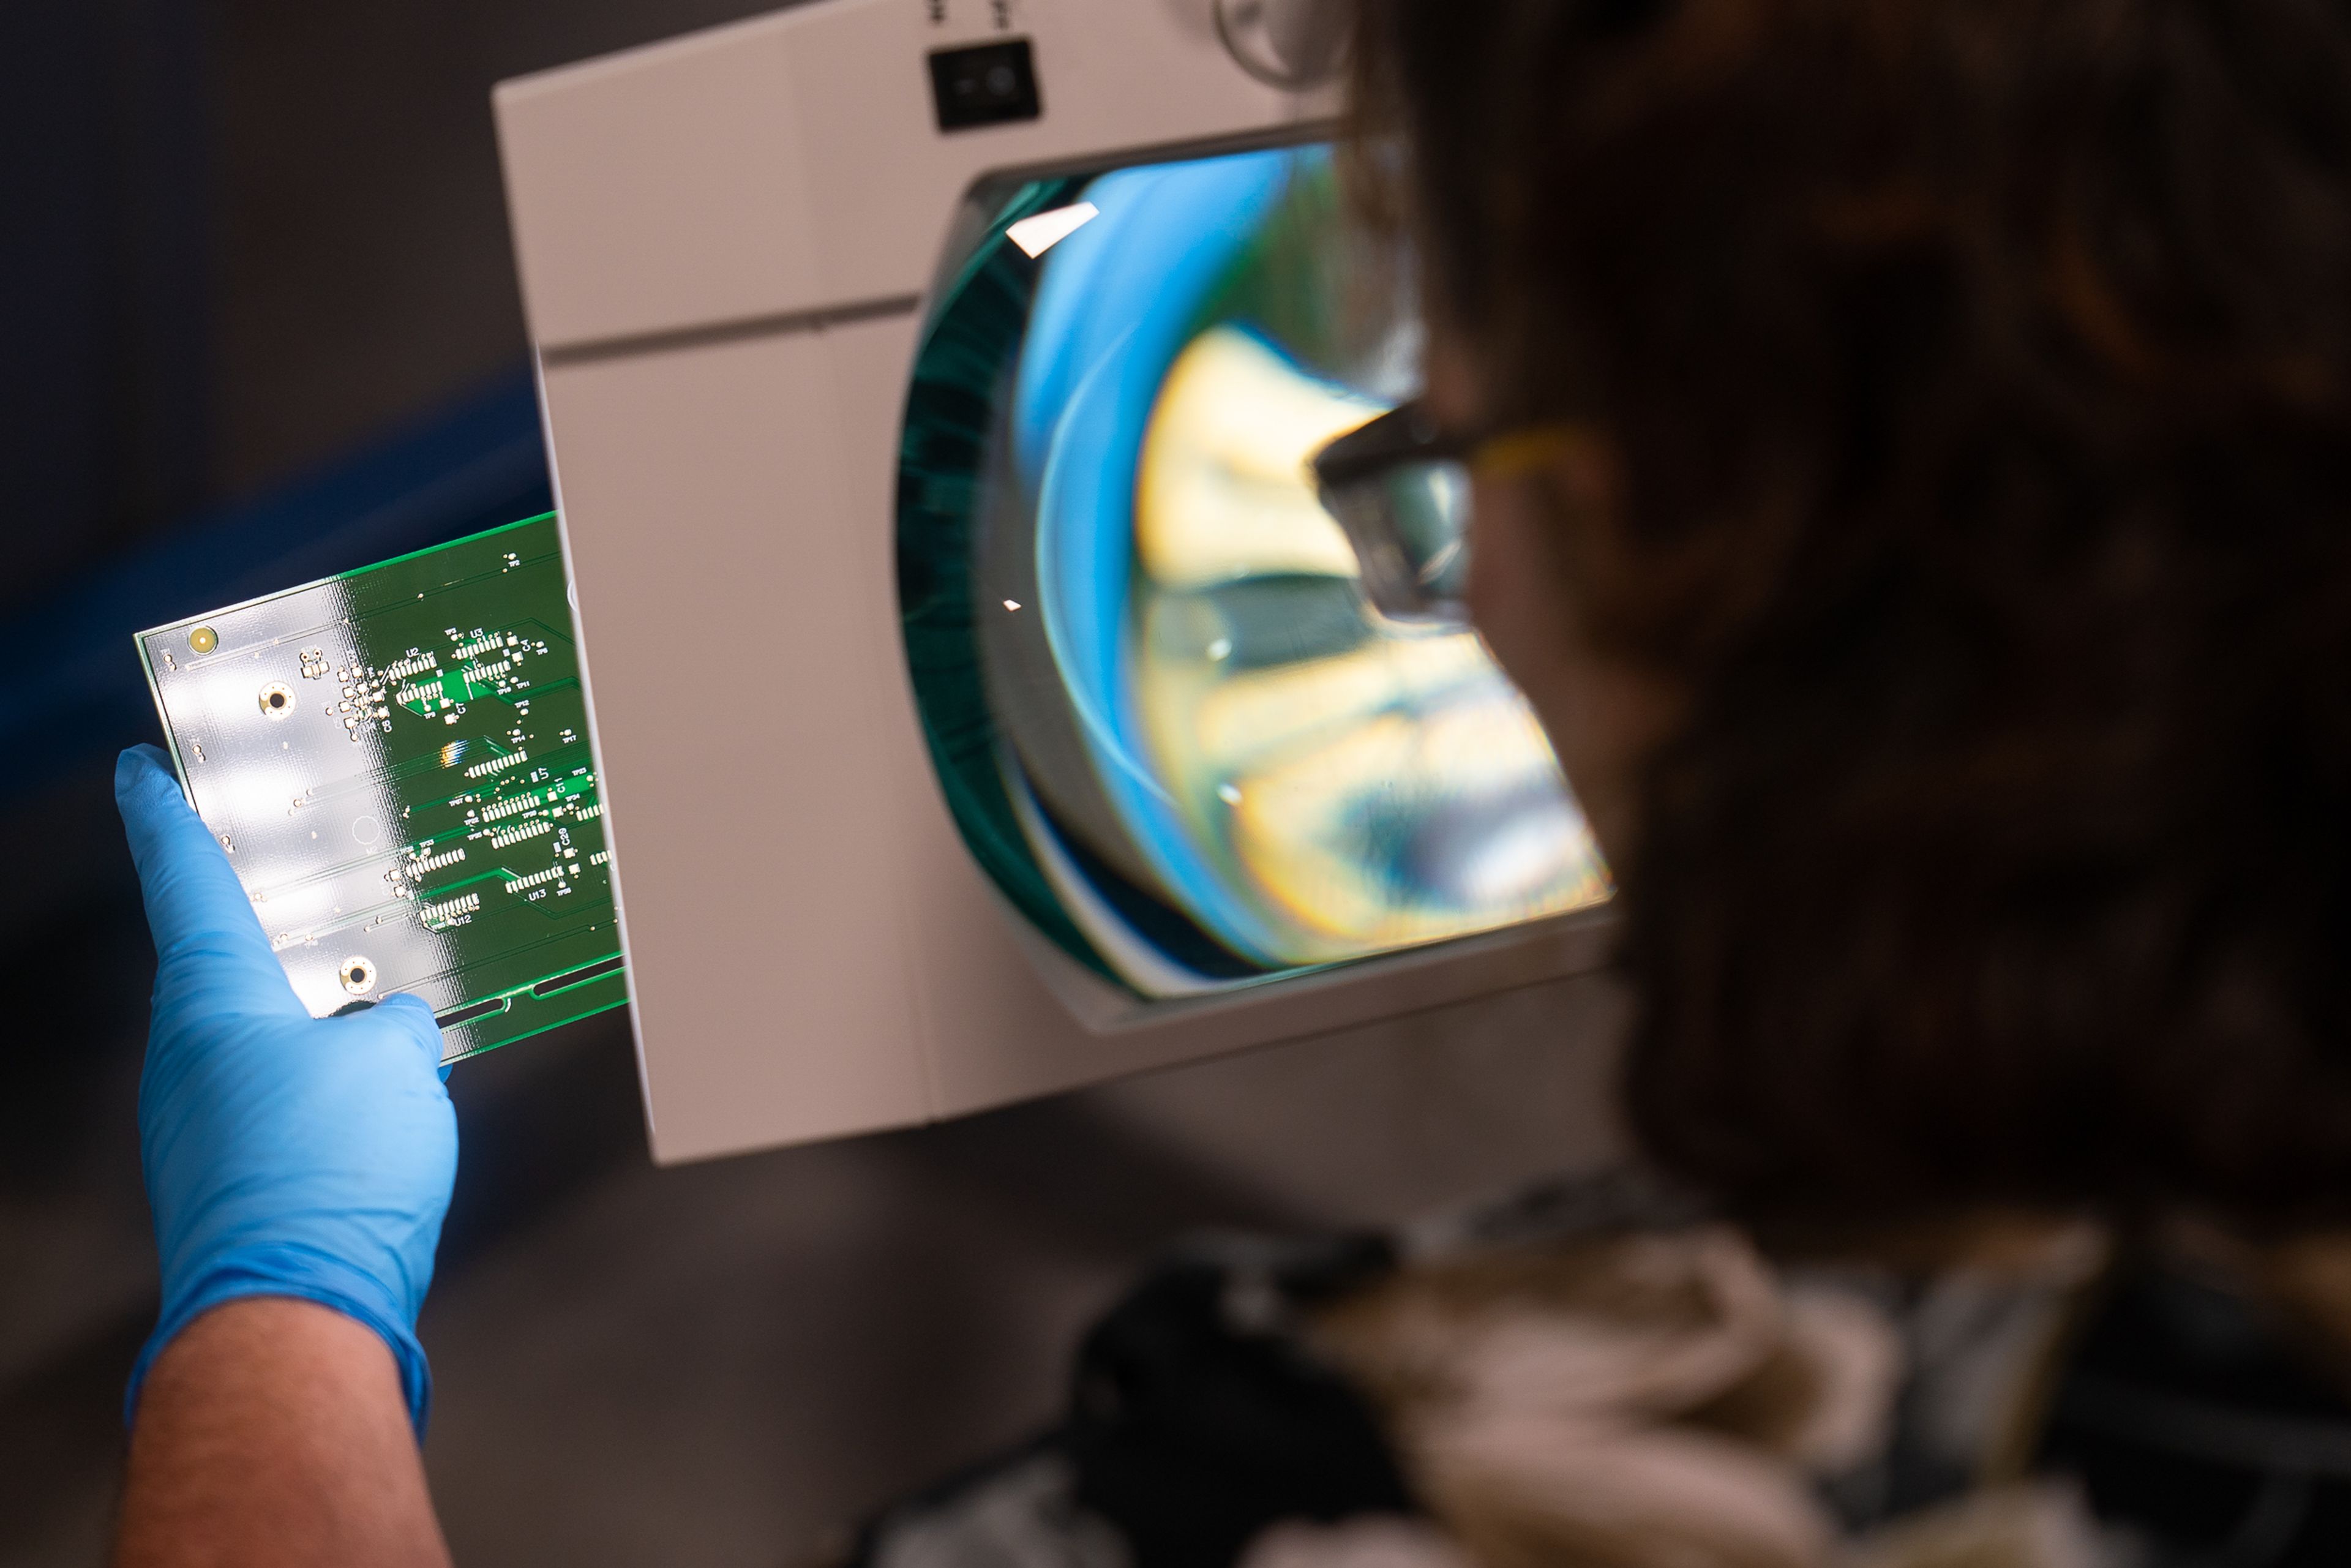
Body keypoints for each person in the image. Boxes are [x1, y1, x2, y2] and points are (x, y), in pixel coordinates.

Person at [107, 1, 2351, 1564]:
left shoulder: (1409, 1476)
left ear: (1690, 546)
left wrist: (280, 1306)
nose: (1436, 594)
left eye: (1437, 463)